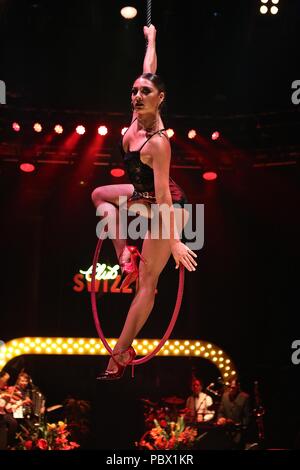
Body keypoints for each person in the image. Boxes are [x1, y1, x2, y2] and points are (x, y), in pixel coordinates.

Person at [91, 24, 197, 380]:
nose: (137, 96)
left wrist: (176, 240)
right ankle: (125, 256)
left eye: (145, 92)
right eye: (134, 91)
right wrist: (151, 40)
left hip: (169, 207)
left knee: (148, 283)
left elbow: (165, 197)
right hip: (142, 198)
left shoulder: (158, 142)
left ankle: (119, 355)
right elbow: (148, 67)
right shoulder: (135, 118)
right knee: (100, 197)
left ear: (160, 99)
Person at [216, 378, 251, 448]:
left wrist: (236, 424)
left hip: (239, 434)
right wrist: (220, 418)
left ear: (238, 386)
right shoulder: (224, 396)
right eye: (229, 387)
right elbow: (220, 412)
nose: (230, 390)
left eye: (233, 388)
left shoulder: (245, 397)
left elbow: (247, 417)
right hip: (225, 433)